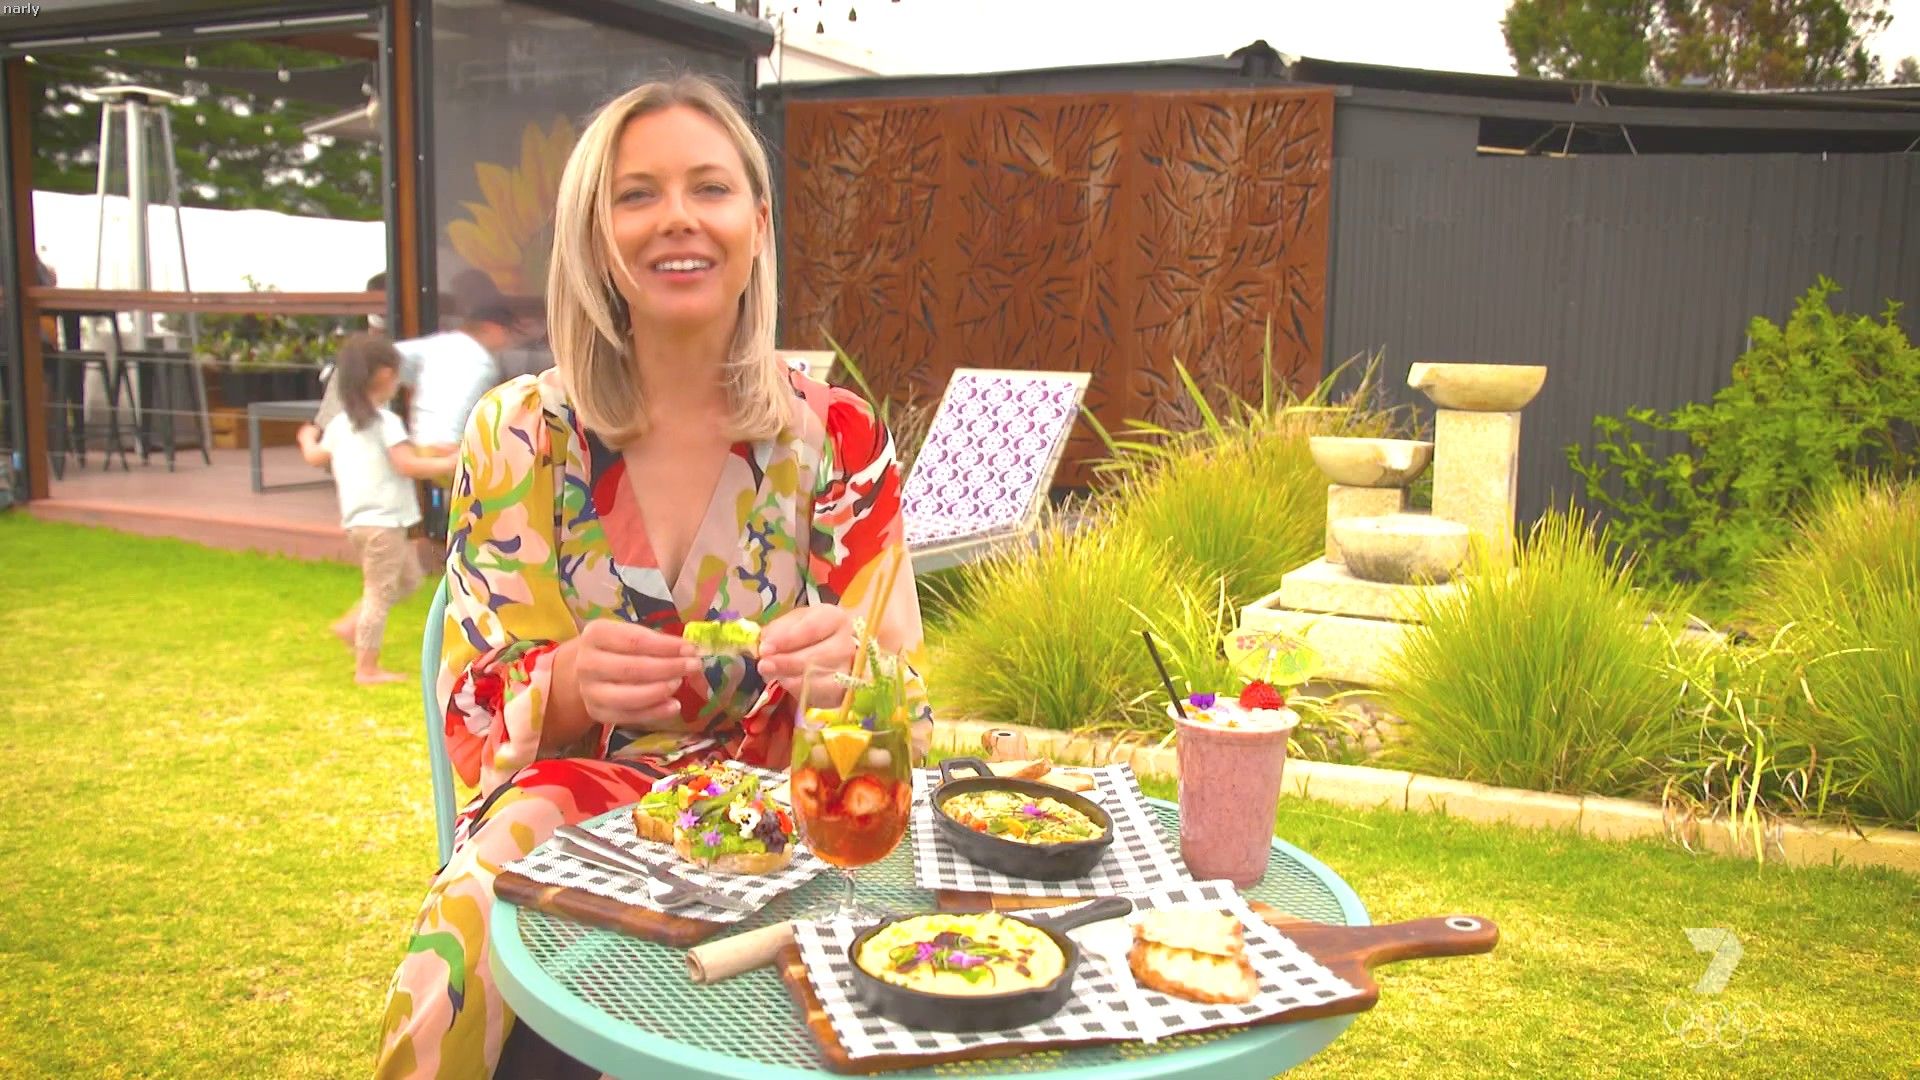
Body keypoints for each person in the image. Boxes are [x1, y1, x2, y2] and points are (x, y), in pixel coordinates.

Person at [371, 75, 931, 1078]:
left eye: (709, 188)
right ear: (595, 236)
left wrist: (854, 677)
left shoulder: (839, 437)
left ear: (758, 226)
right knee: (465, 935)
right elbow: (472, 703)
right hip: (569, 808)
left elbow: (907, 712)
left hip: (790, 815)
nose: (678, 217)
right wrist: (570, 683)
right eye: (637, 194)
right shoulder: (520, 434)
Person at [298, 334, 458, 685]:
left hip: (363, 523)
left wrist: (306, 438)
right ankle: (366, 668)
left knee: (410, 580)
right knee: (379, 593)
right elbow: (408, 464)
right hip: (382, 523)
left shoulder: (342, 424)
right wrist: (451, 463)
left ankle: (351, 626)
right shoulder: (386, 423)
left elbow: (315, 456)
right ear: (385, 374)